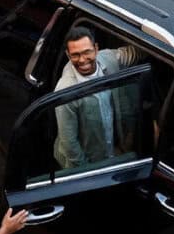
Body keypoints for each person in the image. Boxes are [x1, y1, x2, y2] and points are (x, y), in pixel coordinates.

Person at [54, 26, 141, 170]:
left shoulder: (108, 59)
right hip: (86, 164)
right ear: (68, 55)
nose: (82, 60)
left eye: (87, 52)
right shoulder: (65, 91)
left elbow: (136, 53)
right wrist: (87, 174)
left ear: (96, 49)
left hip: (112, 151)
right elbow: (70, 145)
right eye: (75, 55)